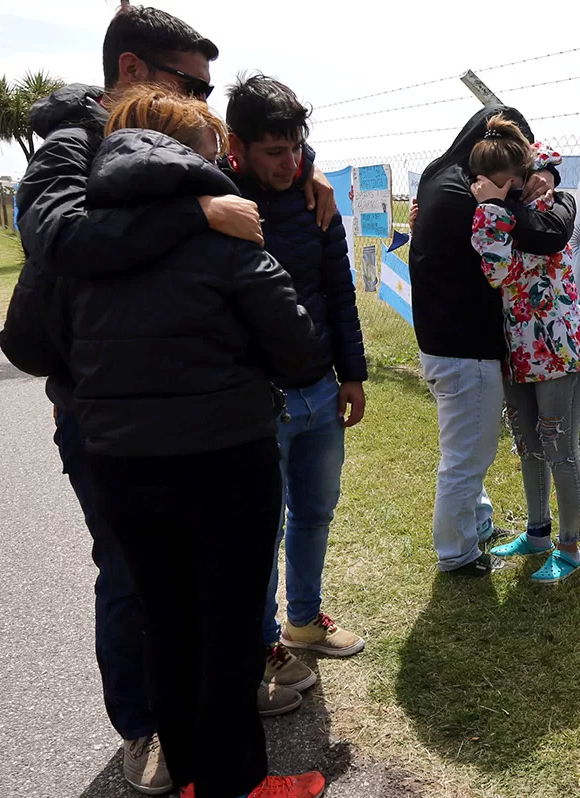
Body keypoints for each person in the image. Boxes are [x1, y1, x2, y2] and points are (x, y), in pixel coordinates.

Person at [0, 4, 338, 793]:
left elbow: (239, 159)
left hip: (176, 404)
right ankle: (148, 730)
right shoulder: (70, 147)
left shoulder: (165, 144)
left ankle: (213, 731)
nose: (206, 104)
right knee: (135, 578)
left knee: (205, 588)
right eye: (191, 84)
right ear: (131, 71)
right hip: (104, 410)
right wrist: (197, 211)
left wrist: (306, 168)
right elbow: (65, 242)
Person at [75, 86, 326, 798]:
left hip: (119, 460)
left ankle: (192, 785)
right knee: (224, 629)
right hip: (221, 460)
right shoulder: (225, 231)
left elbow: (28, 340)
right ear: (198, 155)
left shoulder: (80, 237)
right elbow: (300, 348)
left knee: (167, 622)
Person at [223, 74, 368, 695]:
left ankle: (304, 621)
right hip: (260, 402)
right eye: (273, 152)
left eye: (296, 148)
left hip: (321, 388)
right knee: (263, 527)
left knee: (315, 513)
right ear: (238, 148)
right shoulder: (221, 203)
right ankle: (262, 646)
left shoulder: (317, 199)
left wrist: (354, 373)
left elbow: (339, 289)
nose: (289, 163)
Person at [409, 107, 572, 577]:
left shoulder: (444, 176)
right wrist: (550, 197)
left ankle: (476, 525)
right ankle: (456, 553)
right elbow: (548, 234)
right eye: (517, 171)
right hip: (464, 346)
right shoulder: (468, 198)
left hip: (449, 341)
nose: (523, 179)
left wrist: (546, 172)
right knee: (468, 455)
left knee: (467, 444)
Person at [467, 118, 580, 583]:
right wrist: (495, 207)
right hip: (519, 352)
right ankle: (537, 532)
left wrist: (504, 203)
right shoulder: (501, 213)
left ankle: (570, 546)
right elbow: (496, 269)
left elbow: (503, 264)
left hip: (559, 350)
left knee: (560, 449)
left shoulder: (549, 208)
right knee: (528, 446)